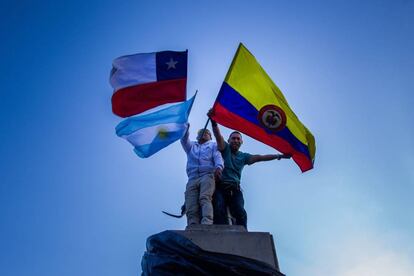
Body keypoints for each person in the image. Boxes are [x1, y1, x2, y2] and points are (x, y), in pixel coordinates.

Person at [208, 112, 291, 229]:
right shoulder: (224, 148)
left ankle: (243, 235)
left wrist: (279, 156)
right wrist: (213, 120)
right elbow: (218, 136)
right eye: (233, 138)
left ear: (241, 142)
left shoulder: (244, 157)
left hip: (235, 189)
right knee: (218, 208)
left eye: (238, 139)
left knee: (240, 212)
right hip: (220, 187)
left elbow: (260, 157)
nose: (236, 140)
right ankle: (221, 235)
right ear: (229, 140)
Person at [181, 124, 224, 226]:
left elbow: (218, 157)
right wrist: (186, 128)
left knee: (205, 198)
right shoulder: (191, 146)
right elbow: (183, 140)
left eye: (206, 133)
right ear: (197, 137)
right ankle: (192, 223)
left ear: (210, 136)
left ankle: (207, 222)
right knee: (191, 202)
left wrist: (219, 167)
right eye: (201, 133)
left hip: (207, 175)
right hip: (192, 178)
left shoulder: (213, 145)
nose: (203, 134)